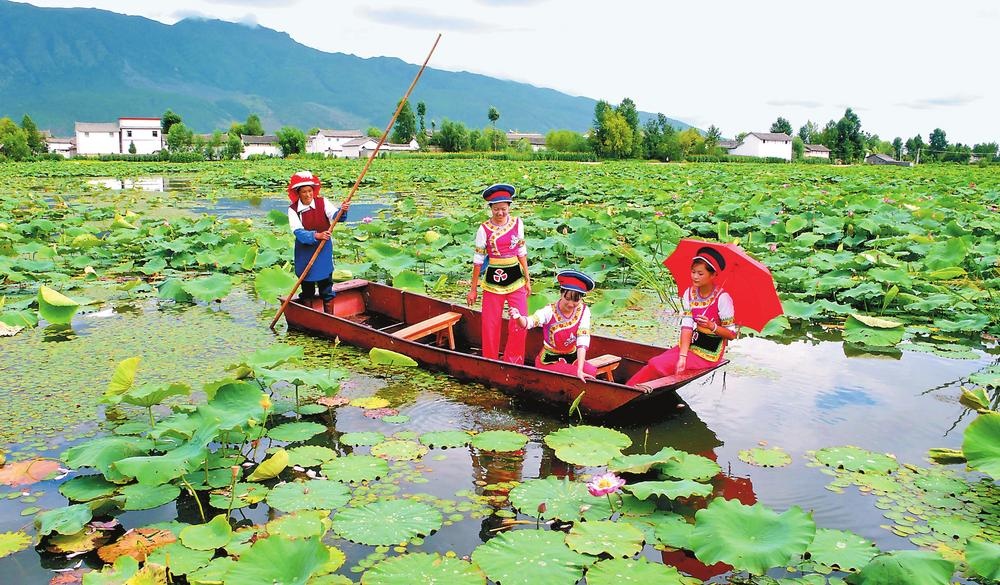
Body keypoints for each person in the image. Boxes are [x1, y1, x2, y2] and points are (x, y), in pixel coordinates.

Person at [627, 246, 737, 386]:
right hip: (692, 344)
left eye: (700, 273)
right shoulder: (689, 293)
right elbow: (687, 327)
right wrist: (683, 356)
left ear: (713, 275)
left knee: (657, 364)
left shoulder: (723, 298)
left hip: (709, 353)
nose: (695, 276)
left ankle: (628, 390)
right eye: (693, 272)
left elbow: (732, 334)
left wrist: (712, 326)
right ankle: (629, 388)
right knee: (654, 362)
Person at [466, 184, 530, 364]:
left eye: (503, 209)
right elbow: (478, 261)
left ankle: (514, 361)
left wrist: (527, 279)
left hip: (516, 279)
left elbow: (521, 252)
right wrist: (473, 289)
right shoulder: (483, 229)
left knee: (519, 322)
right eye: (496, 209)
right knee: (490, 323)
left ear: (509, 207)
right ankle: (490, 361)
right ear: (491, 209)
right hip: (493, 280)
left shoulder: (518, 224)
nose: (500, 213)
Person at [510, 270, 598, 383]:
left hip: (572, 356)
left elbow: (582, 341)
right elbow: (528, 323)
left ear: (581, 298)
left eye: (576, 300)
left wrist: (580, 369)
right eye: (567, 299)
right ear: (561, 294)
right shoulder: (549, 311)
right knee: (574, 376)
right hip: (549, 360)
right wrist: (518, 317)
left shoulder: (584, 310)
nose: (571, 304)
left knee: (590, 372)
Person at [286, 171, 349, 313]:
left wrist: (342, 211)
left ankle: (329, 317)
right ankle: (309, 316)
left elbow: (336, 216)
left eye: (310, 191)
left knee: (326, 285)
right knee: (307, 286)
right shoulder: (293, 210)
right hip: (305, 251)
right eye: (304, 192)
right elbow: (298, 232)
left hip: (323, 249)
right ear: (298, 193)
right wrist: (317, 235)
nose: (308, 195)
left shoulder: (322, 202)